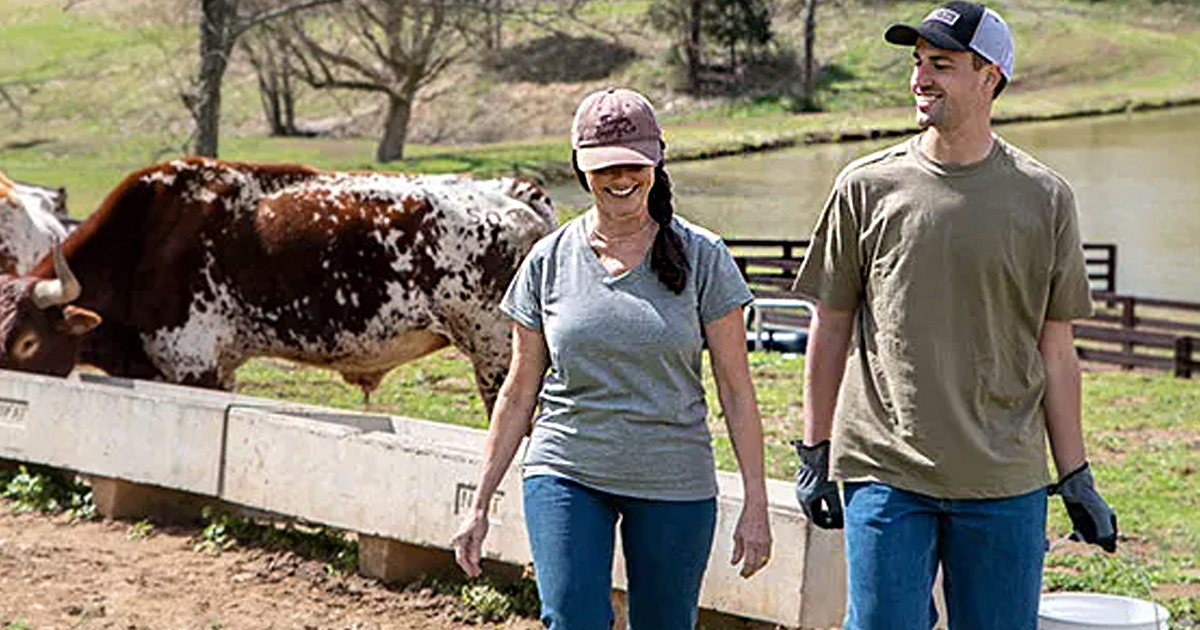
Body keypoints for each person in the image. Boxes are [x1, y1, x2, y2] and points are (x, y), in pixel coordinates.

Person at [789, 3, 1119, 629]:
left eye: (941, 64)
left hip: (1003, 481)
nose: (920, 78)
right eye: (917, 63)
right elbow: (829, 327)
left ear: (990, 77)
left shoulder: (1044, 197)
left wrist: (1074, 474)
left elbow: (1057, 350)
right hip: (886, 469)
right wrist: (814, 449)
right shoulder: (865, 187)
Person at [451, 87, 772, 630]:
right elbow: (518, 390)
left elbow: (737, 392)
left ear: (657, 160)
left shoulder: (704, 257)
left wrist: (757, 505)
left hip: (674, 478)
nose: (620, 178)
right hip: (568, 469)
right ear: (580, 168)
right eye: (604, 166)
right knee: (571, 618)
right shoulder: (547, 261)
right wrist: (479, 503)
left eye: (633, 163)